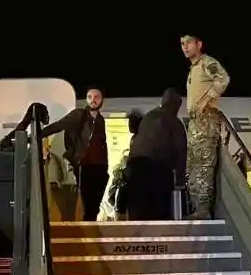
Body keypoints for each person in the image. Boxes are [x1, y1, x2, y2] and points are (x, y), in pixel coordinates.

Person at [180, 34, 230, 219]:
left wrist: (206, 100)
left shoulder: (206, 63)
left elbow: (223, 79)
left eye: (188, 43)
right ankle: (197, 209)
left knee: (204, 165)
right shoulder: (194, 69)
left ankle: (203, 210)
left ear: (199, 44)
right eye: (182, 44)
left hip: (206, 119)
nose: (185, 47)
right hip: (195, 122)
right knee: (192, 166)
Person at [41, 87, 109, 221]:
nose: (93, 100)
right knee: (86, 204)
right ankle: (87, 233)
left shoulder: (101, 120)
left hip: (100, 167)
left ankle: (91, 231)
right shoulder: (79, 114)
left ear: (102, 100)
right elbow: (59, 125)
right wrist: (38, 134)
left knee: (94, 206)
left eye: (96, 97)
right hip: (85, 165)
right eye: (90, 97)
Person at [119, 89, 186, 220]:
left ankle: (136, 237)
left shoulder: (149, 116)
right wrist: (179, 179)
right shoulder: (175, 122)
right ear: (176, 106)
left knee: (137, 209)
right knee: (158, 211)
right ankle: (159, 238)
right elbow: (181, 151)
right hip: (158, 168)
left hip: (135, 166)